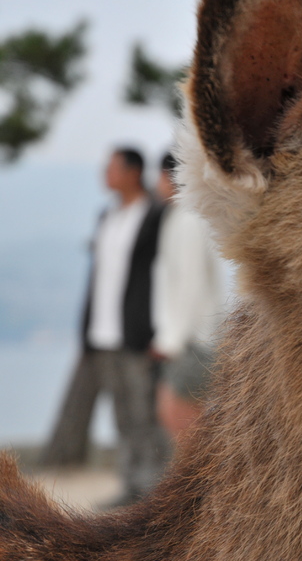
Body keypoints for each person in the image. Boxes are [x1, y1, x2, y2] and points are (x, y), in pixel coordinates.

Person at [64, 147, 169, 505]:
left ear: (133, 171)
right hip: (101, 332)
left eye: (111, 167)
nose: (104, 174)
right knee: (122, 415)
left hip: (137, 332)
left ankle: (154, 491)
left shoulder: (156, 214)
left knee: (144, 412)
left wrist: (162, 329)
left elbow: (165, 274)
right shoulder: (106, 215)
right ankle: (130, 485)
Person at [151, 152, 225, 442]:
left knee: (180, 418)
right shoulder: (185, 217)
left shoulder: (188, 219)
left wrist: (170, 340)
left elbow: (191, 284)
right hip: (194, 338)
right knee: (181, 418)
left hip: (196, 340)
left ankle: (202, 486)